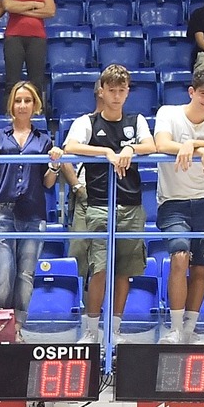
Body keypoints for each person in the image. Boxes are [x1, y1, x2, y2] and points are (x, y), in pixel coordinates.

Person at [57, 66, 148, 344]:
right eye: (112, 90)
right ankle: (91, 331)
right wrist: (106, 151)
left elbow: (152, 144)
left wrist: (130, 149)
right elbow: (70, 146)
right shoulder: (88, 122)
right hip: (98, 204)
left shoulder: (137, 120)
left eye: (122, 90)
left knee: (124, 271)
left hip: (131, 204)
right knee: (99, 269)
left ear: (128, 92)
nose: (117, 95)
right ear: (102, 91)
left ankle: (115, 330)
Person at [153, 68, 204, 345]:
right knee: (179, 256)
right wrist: (201, 149)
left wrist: (195, 145)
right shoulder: (168, 113)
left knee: (201, 268)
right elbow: (161, 143)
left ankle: (189, 329)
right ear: (191, 92)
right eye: (203, 95)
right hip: (173, 201)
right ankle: (174, 328)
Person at [0, 83, 51, 324]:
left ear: (35, 105)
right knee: (4, 271)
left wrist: (54, 164)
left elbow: (49, 183)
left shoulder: (44, 139)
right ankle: (3, 325)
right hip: (2, 210)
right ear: (11, 104)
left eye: (27, 100)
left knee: (25, 274)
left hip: (33, 212)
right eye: (18, 100)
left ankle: (17, 327)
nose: (22, 105)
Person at [3, 0, 54, 112]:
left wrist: (20, 9)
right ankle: (10, 114)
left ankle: (36, 114)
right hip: (13, 36)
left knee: (36, 82)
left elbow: (50, 11)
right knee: (12, 81)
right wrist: (35, 4)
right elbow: (8, 6)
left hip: (37, 38)